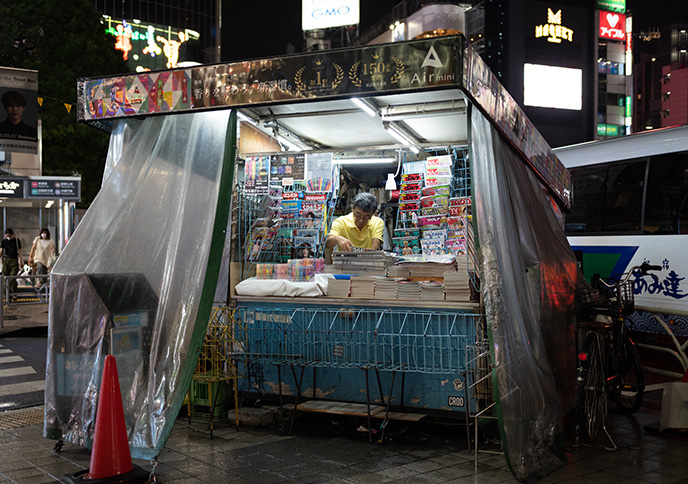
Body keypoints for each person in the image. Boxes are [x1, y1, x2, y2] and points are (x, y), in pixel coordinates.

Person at [0, 228, 23, 299]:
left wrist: (20, 261)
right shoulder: (4, 241)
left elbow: (19, 252)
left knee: (12, 278)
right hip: (6, 260)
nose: (8, 237)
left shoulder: (16, 241)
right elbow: (1, 250)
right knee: (4, 277)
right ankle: (6, 295)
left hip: (14, 260)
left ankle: (13, 293)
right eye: (7, 235)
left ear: (12, 235)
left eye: (10, 235)